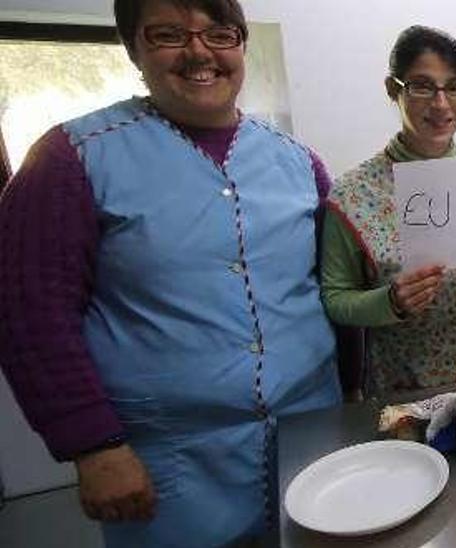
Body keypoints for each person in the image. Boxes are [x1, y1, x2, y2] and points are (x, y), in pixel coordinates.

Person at [0, 0, 340, 545]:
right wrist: (92, 444)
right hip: (172, 462)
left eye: (220, 34)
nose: (199, 52)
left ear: (241, 46)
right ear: (134, 49)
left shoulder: (298, 162)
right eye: (168, 34)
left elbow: (333, 289)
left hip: (311, 432)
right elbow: (30, 314)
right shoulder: (72, 159)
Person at [322, 25, 456, 395]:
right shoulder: (353, 195)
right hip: (403, 377)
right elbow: (335, 298)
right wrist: (390, 301)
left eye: (454, 87)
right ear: (392, 89)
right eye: (422, 86)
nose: (442, 104)